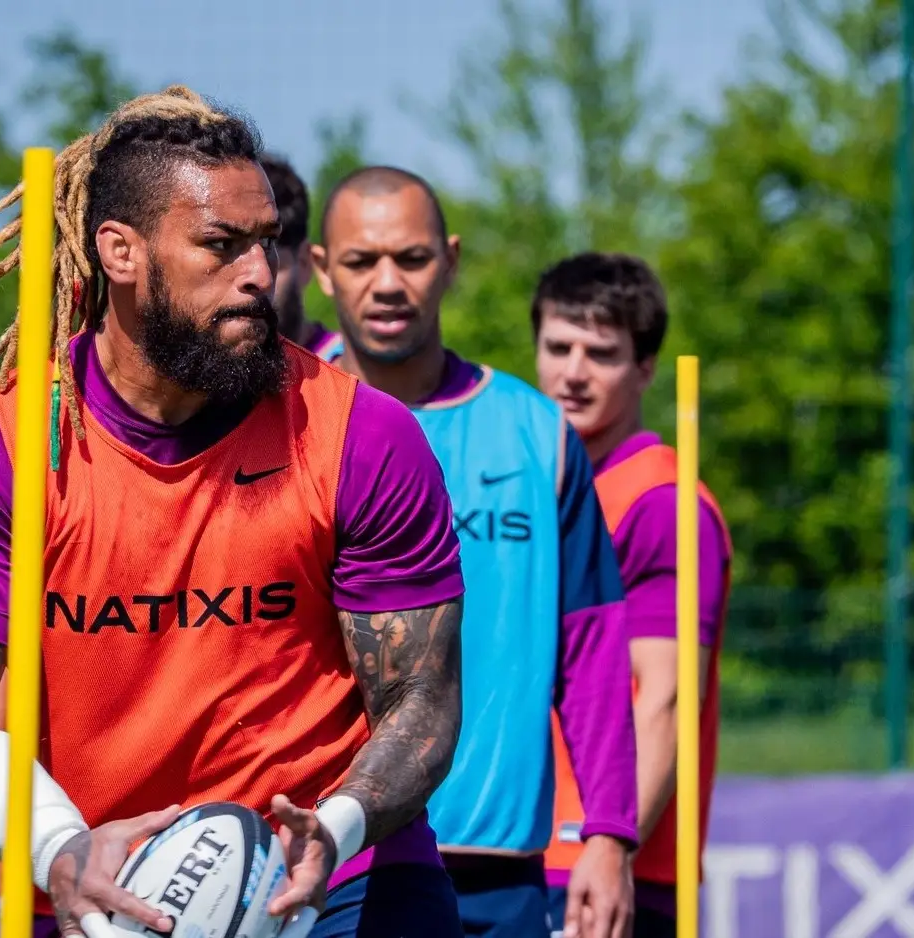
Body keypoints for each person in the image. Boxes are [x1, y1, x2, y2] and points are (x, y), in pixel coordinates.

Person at [0, 87, 467, 938]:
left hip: (336, 882)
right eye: (221, 247)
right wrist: (56, 845)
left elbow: (422, 700)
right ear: (120, 252)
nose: (261, 277)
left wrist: (333, 831)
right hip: (92, 878)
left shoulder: (362, 433)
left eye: (265, 244)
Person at [313, 166, 636, 938]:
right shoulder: (280, 420)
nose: (388, 283)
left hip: (500, 870)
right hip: (331, 861)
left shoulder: (535, 431)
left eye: (413, 259)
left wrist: (610, 833)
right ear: (323, 270)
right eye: (362, 261)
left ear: (451, 260)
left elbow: (590, 647)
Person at [530, 253, 732, 938]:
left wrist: (607, 846)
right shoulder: (536, 485)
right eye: (559, 347)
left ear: (645, 367)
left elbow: (666, 699)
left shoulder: (661, 504)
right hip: (515, 849)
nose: (574, 372)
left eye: (602, 353)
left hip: (604, 866)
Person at [258, 153, 335, 354]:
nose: (252, 280)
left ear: (304, 263)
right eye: (223, 247)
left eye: (267, 258)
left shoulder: (354, 374)